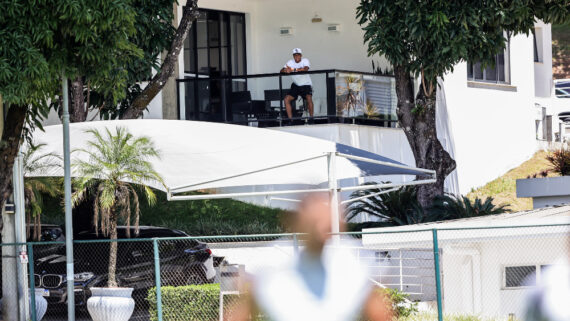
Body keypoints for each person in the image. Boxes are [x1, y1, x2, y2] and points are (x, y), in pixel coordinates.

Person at [230, 193, 392, 321]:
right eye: (316, 221)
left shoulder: (354, 265)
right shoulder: (273, 266)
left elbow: (378, 312)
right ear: (298, 223)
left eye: (328, 221)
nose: (323, 227)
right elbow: (243, 311)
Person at [280, 48, 314, 122]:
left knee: (309, 98)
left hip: (306, 84)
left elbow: (305, 69)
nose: (296, 56)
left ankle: (311, 119)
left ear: (301, 55)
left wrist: (292, 70)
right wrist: (286, 70)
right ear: (293, 56)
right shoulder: (290, 62)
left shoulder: (305, 60)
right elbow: (281, 70)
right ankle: (290, 120)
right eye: (295, 55)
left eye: (298, 55)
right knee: (286, 99)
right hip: (296, 84)